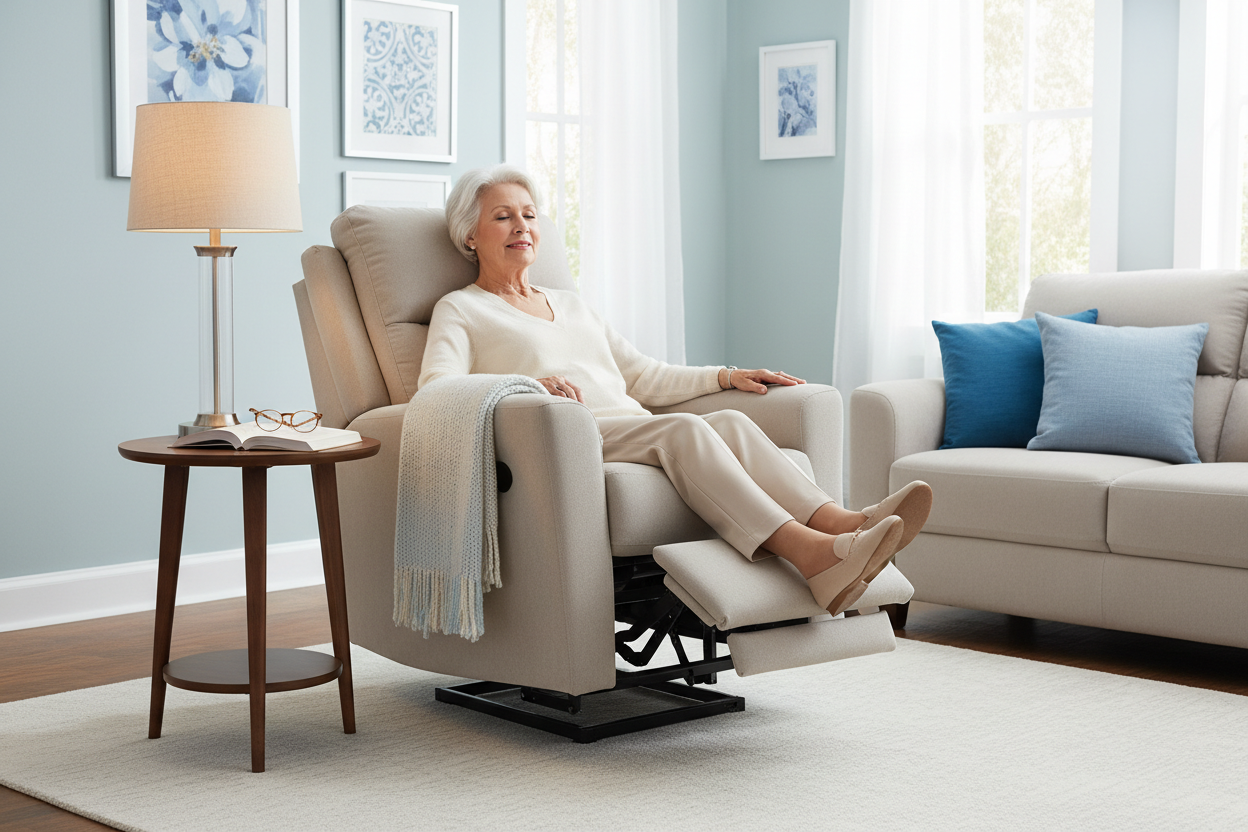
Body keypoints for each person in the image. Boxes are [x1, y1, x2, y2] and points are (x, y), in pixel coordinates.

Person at [420, 165, 931, 616]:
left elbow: (644, 376)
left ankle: (844, 522)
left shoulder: (571, 304)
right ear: (470, 235)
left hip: (633, 428)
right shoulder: (463, 309)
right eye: (504, 216)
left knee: (729, 420)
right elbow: (437, 389)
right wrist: (526, 384)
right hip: (570, 436)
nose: (522, 227)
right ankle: (812, 556)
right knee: (684, 430)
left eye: (529, 215)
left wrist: (727, 376)